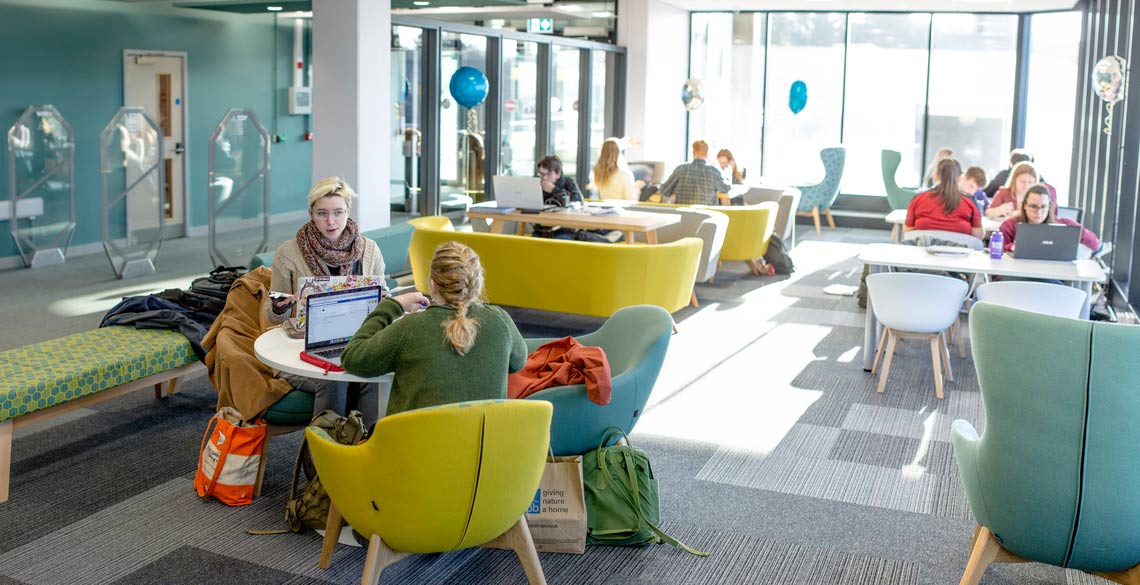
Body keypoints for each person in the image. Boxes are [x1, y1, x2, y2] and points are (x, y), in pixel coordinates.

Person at [341, 241, 528, 417]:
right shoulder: (499, 320)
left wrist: (392, 306)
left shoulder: (411, 328)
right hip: (483, 447)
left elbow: (352, 358)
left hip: (417, 448)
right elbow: (518, 362)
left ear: (432, 284)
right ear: (477, 284)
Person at [263, 177, 387, 426]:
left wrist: (385, 300)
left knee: (374, 376)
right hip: (300, 348)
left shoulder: (369, 249)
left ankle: (365, 450)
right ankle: (324, 455)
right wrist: (281, 306)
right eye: (322, 213)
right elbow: (270, 312)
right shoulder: (288, 252)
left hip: (355, 342)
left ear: (348, 211)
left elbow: (382, 296)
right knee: (331, 380)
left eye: (338, 212)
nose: (331, 222)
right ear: (311, 213)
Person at [998, 184, 1099, 253]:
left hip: (1052, 276)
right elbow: (996, 249)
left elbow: (1095, 243)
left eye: (1043, 207)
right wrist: (1012, 247)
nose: (1038, 212)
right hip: (1017, 274)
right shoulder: (1009, 225)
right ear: (1024, 205)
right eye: (1033, 206)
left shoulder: (1064, 225)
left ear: (1049, 207)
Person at [904, 158, 984, 238]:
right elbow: (977, 235)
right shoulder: (970, 201)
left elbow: (908, 231)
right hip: (960, 249)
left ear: (936, 176)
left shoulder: (918, 198)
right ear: (960, 177)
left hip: (923, 248)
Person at [658, 140, 730, 205]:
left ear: (693, 152)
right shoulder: (714, 171)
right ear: (707, 153)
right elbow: (726, 188)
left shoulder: (680, 169)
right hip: (708, 216)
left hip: (684, 216)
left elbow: (664, 190)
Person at [986, 161, 1057, 220]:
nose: (1026, 185)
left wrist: (1021, 213)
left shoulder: (1040, 197)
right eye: (1022, 182)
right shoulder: (1004, 192)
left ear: (1035, 182)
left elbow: (1051, 216)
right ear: (1014, 180)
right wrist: (999, 210)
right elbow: (988, 213)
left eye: (1030, 182)